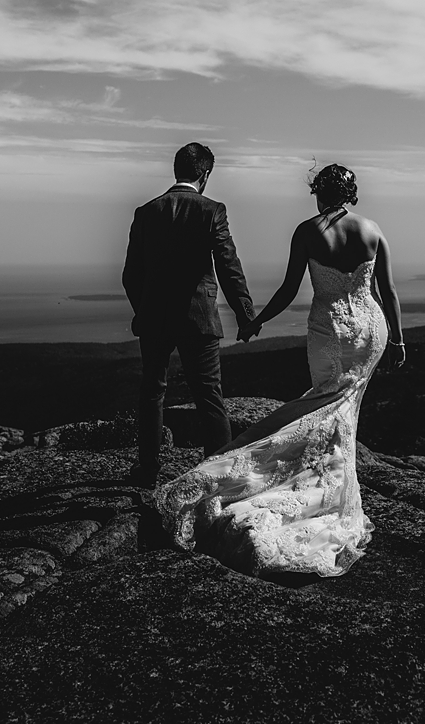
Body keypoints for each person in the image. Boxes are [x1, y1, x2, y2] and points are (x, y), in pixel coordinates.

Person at [155, 164, 404, 578]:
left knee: (325, 402)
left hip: (330, 333)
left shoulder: (307, 231)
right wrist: (397, 339)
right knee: (342, 410)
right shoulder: (372, 230)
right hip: (369, 333)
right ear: (351, 193)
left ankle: (315, 481)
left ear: (317, 193)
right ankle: (334, 486)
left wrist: (255, 321)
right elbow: (387, 291)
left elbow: (290, 289)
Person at [122, 143, 256, 489]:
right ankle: (219, 475)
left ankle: (148, 470)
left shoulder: (146, 211)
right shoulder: (212, 210)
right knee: (209, 396)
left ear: (176, 170)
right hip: (199, 319)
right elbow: (228, 267)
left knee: (152, 392)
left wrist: (144, 310)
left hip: (154, 319)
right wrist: (245, 314)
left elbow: (131, 274)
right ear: (206, 174)